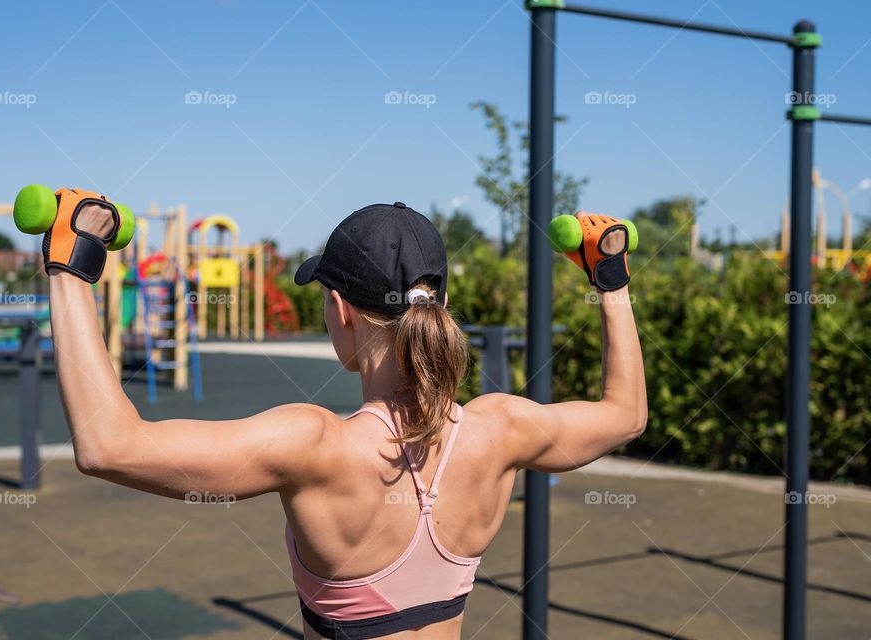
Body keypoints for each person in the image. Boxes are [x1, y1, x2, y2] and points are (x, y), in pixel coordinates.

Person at [49, 198, 647, 640]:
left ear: (340, 309)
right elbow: (625, 415)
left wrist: (71, 267)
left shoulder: (315, 445)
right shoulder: (501, 428)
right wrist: (610, 281)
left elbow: (109, 445)